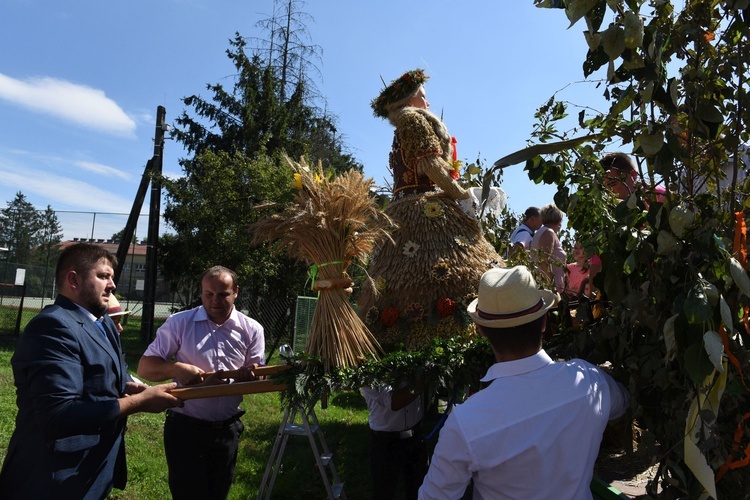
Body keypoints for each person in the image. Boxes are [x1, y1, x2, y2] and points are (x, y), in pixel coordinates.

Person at [418, 266, 630, 499]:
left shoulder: (466, 421)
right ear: (544, 321)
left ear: (481, 331)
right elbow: (621, 403)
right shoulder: (589, 380)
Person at [0, 243, 183, 499]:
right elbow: (58, 415)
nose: (112, 285)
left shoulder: (104, 322)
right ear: (73, 279)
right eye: (103, 276)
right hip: (54, 479)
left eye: (112, 277)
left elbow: (100, 378)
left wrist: (127, 387)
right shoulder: (53, 327)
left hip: (93, 471)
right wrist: (138, 402)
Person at [359, 68, 503, 350]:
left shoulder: (405, 123)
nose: (427, 102)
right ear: (410, 100)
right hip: (424, 206)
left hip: (404, 207)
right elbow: (430, 164)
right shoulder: (412, 120)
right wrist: (462, 194)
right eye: (422, 96)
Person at [137, 265, 265, 500]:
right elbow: (145, 367)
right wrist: (174, 367)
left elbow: (260, 375)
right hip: (186, 429)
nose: (215, 300)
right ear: (201, 292)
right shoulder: (180, 323)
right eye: (209, 294)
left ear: (235, 292)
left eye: (223, 294)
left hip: (227, 429)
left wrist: (251, 376)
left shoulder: (252, 329)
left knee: (218, 492)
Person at [362, 384, 428, 500]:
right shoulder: (368, 369)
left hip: (415, 436)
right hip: (386, 443)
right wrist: (422, 381)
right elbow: (393, 402)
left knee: (421, 490)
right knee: (384, 493)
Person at [529, 203, 567, 294]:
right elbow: (545, 261)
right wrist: (550, 288)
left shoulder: (543, 231)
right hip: (548, 289)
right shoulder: (548, 233)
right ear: (558, 220)